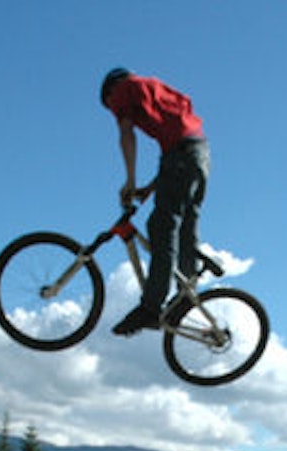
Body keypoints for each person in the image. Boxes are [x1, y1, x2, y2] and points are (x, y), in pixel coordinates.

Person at [99, 67, 210, 335]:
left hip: (180, 157)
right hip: (199, 155)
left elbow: (127, 133)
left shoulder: (123, 90)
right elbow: (180, 142)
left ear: (111, 92)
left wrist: (130, 179)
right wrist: (149, 188)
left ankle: (151, 306)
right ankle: (185, 295)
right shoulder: (156, 87)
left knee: (161, 225)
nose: (115, 112)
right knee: (186, 227)